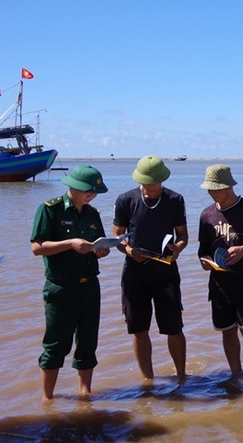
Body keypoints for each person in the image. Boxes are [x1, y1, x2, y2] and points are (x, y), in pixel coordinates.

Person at [31, 166, 110, 400]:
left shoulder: (92, 213)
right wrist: (70, 243)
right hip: (61, 287)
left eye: (95, 192)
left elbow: (96, 245)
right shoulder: (50, 210)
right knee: (56, 344)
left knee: (88, 342)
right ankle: (48, 399)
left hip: (89, 285)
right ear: (72, 187)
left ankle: (85, 394)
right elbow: (37, 248)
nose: (91, 195)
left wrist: (101, 250)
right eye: (88, 191)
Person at [113, 155, 189, 381]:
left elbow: (183, 235)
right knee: (139, 329)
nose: (150, 187)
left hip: (166, 271)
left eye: (155, 183)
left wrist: (178, 249)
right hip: (134, 274)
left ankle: (182, 376)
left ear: (162, 180)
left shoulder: (175, 199)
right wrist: (129, 251)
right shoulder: (125, 200)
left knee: (174, 327)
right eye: (147, 183)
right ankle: (148, 380)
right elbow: (117, 235)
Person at [198, 164, 243, 382]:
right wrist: (205, 262)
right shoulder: (206, 215)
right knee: (227, 332)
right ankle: (236, 376)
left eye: (215, 189)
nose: (212, 194)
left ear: (228, 186)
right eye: (209, 190)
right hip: (219, 285)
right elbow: (203, 249)